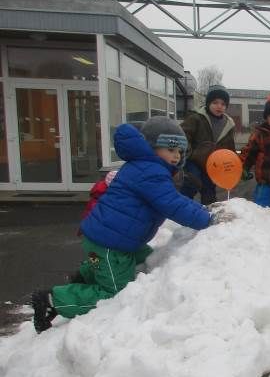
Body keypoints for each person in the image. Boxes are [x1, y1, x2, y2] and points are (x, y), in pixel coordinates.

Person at [30, 117, 230, 333]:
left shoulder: (145, 167)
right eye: (171, 149)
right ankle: (53, 300)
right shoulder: (150, 171)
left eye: (180, 151)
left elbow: (174, 199)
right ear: (152, 147)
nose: (176, 156)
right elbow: (172, 204)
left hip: (116, 242)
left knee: (152, 261)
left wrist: (203, 210)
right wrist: (207, 219)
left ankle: (87, 275)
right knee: (115, 294)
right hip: (109, 246)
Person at [180, 84, 236, 205]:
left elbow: (230, 148)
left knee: (209, 191)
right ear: (208, 103)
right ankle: (181, 207)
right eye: (215, 102)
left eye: (223, 104)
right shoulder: (196, 118)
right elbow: (183, 135)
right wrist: (189, 153)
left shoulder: (229, 125)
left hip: (212, 165)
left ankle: (209, 212)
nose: (219, 106)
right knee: (191, 183)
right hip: (193, 161)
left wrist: (233, 164)